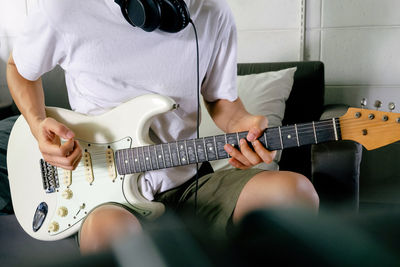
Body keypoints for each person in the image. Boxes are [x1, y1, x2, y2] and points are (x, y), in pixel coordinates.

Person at [6, 0, 319, 254]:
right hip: (104, 194)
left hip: (190, 184)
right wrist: (36, 125)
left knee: (296, 192)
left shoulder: (212, 11)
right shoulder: (64, 8)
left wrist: (245, 124)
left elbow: (223, 102)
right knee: (110, 235)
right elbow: (18, 69)